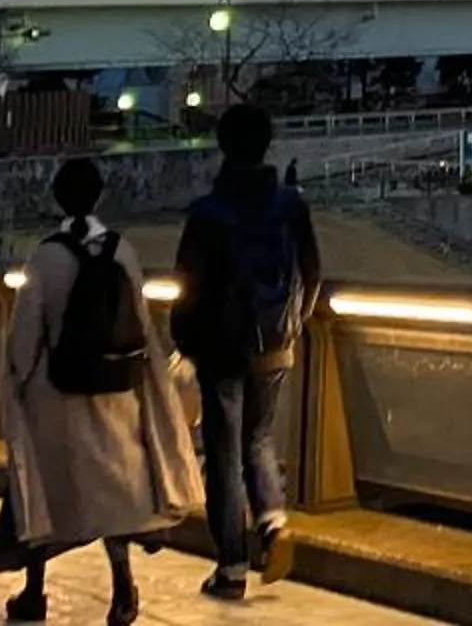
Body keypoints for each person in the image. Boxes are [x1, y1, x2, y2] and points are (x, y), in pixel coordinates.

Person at [0, 156, 197, 624]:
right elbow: (142, 326)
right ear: (100, 196)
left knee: (47, 492)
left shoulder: (46, 255)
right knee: (114, 494)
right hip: (117, 391)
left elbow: (26, 334)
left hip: (58, 393)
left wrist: (18, 382)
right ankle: (122, 587)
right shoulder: (122, 251)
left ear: (57, 198)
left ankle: (34, 594)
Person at [170, 102, 324, 600]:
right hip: (276, 341)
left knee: (223, 451)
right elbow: (312, 269)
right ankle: (274, 521)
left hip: (220, 346)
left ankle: (232, 567)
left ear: (223, 146)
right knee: (259, 438)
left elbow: (188, 284)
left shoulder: (207, 212)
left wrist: (184, 340)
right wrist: (294, 323)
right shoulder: (291, 206)